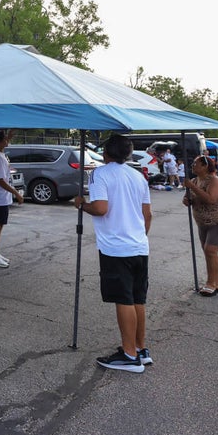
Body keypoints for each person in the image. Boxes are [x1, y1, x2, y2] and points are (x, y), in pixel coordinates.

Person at [73, 134, 152, 374]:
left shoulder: (100, 174)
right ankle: (140, 349)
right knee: (137, 299)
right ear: (128, 153)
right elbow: (147, 215)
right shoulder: (138, 176)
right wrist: (138, 237)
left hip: (116, 248)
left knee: (123, 299)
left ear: (106, 152)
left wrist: (81, 204)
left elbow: (100, 208)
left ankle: (129, 355)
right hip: (139, 246)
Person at [182, 155, 218, 296]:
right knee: (209, 253)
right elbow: (191, 198)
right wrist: (187, 199)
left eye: (196, 163)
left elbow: (211, 199)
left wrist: (192, 187)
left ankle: (211, 283)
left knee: (210, 251)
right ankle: (217, 283)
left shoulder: (215, 181)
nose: (192, 166)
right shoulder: (194, 180)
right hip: (203, 223)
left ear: (205, 166)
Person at [0, 130, 24, 268]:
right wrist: (16, 193)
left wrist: (9, 137)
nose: (7, 141)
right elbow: (0, 180)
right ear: (0, 142)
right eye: (5, 139)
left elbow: (2, 143)